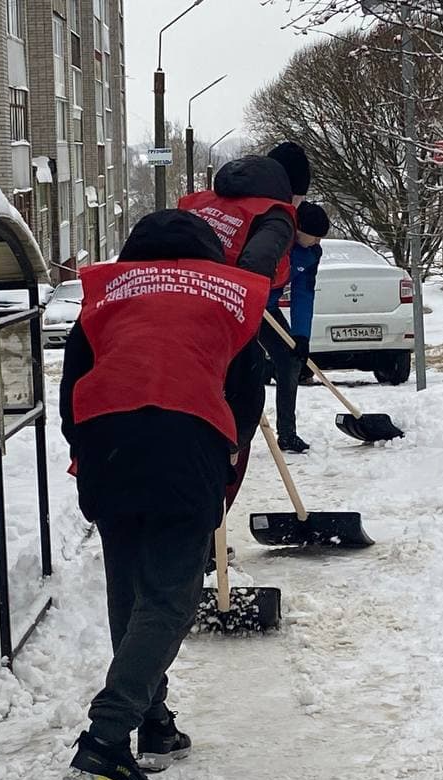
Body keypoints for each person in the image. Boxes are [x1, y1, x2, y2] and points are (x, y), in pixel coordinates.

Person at [58, 210, 272, 780]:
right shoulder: (223, 299)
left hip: (109, 446)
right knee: (171, 597)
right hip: (185, 444)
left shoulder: (106, 300)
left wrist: (90, 451)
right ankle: (105, 741)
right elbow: (246, 397)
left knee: (128, 587)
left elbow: (73, 383)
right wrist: (224, 460)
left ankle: (153, 721)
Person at [178, 141, 312, 528]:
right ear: (294, 192)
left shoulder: (203, 201)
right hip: (219, 335)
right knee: (234, 434)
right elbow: (254, 265)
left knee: (188, 433)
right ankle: (204, 537)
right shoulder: (276, 215)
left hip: (172, 318)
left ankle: (191, 538)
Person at [262, 201, 330, 453]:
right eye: (315, 236)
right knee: (240, 368)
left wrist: (302, 335)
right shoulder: (275, 240)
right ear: (298, 229)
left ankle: (287, 433)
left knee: (290, 361)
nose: (318, 242)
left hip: (267, 309)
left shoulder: (311, 253)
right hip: (243, 304)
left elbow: (304, 293)